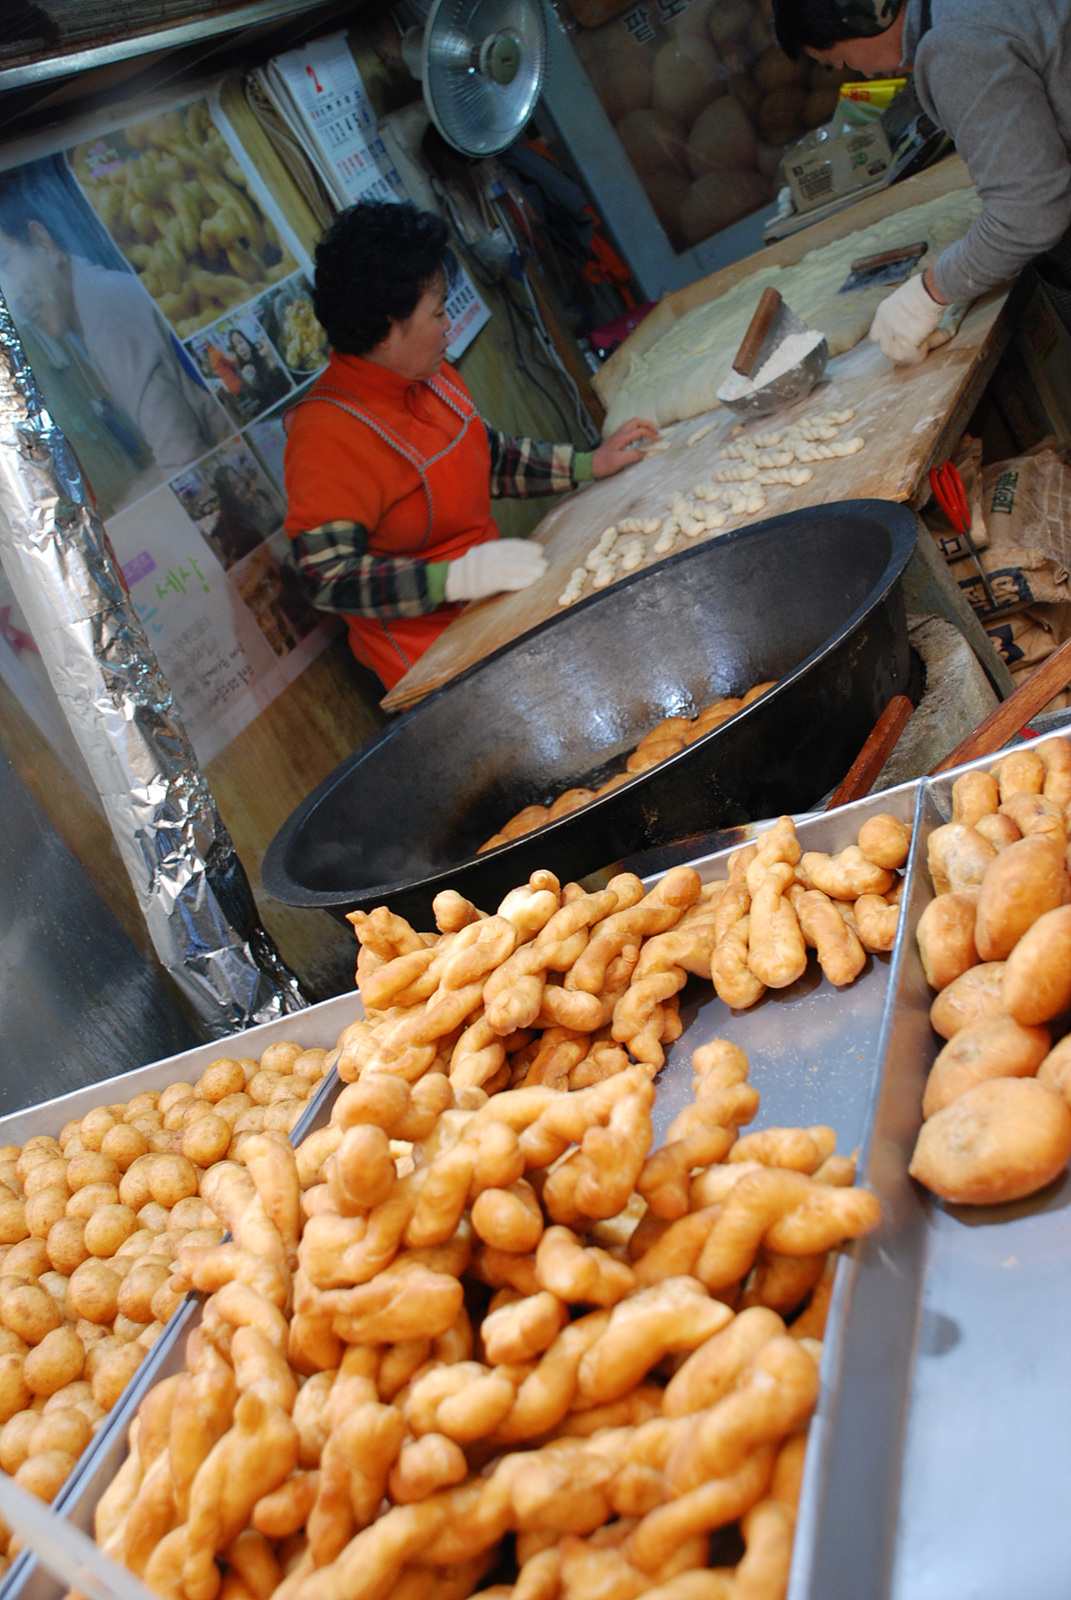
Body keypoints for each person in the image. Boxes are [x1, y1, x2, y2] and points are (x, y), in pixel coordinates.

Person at [283, 200, 658, 692]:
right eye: (438, 312)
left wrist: (590, 463)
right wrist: (453, 579)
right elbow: (327, 576)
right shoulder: (326, 436)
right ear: (387, 329)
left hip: (496, 607)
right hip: (436, 662)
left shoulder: (427, 374)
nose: (448, 325)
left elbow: (488, 457)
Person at [771, 0, 1071, 363]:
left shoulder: (954, 46)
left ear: (863, 17)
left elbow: (1029, 214)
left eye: (842, 61)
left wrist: (929, 294)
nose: (864, 74)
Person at [0, 193, 229, 472]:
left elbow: (186, 461)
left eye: (4, 265)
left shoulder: (104, 315)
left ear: (42, 243)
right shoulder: (92, 302)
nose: (13, 300)